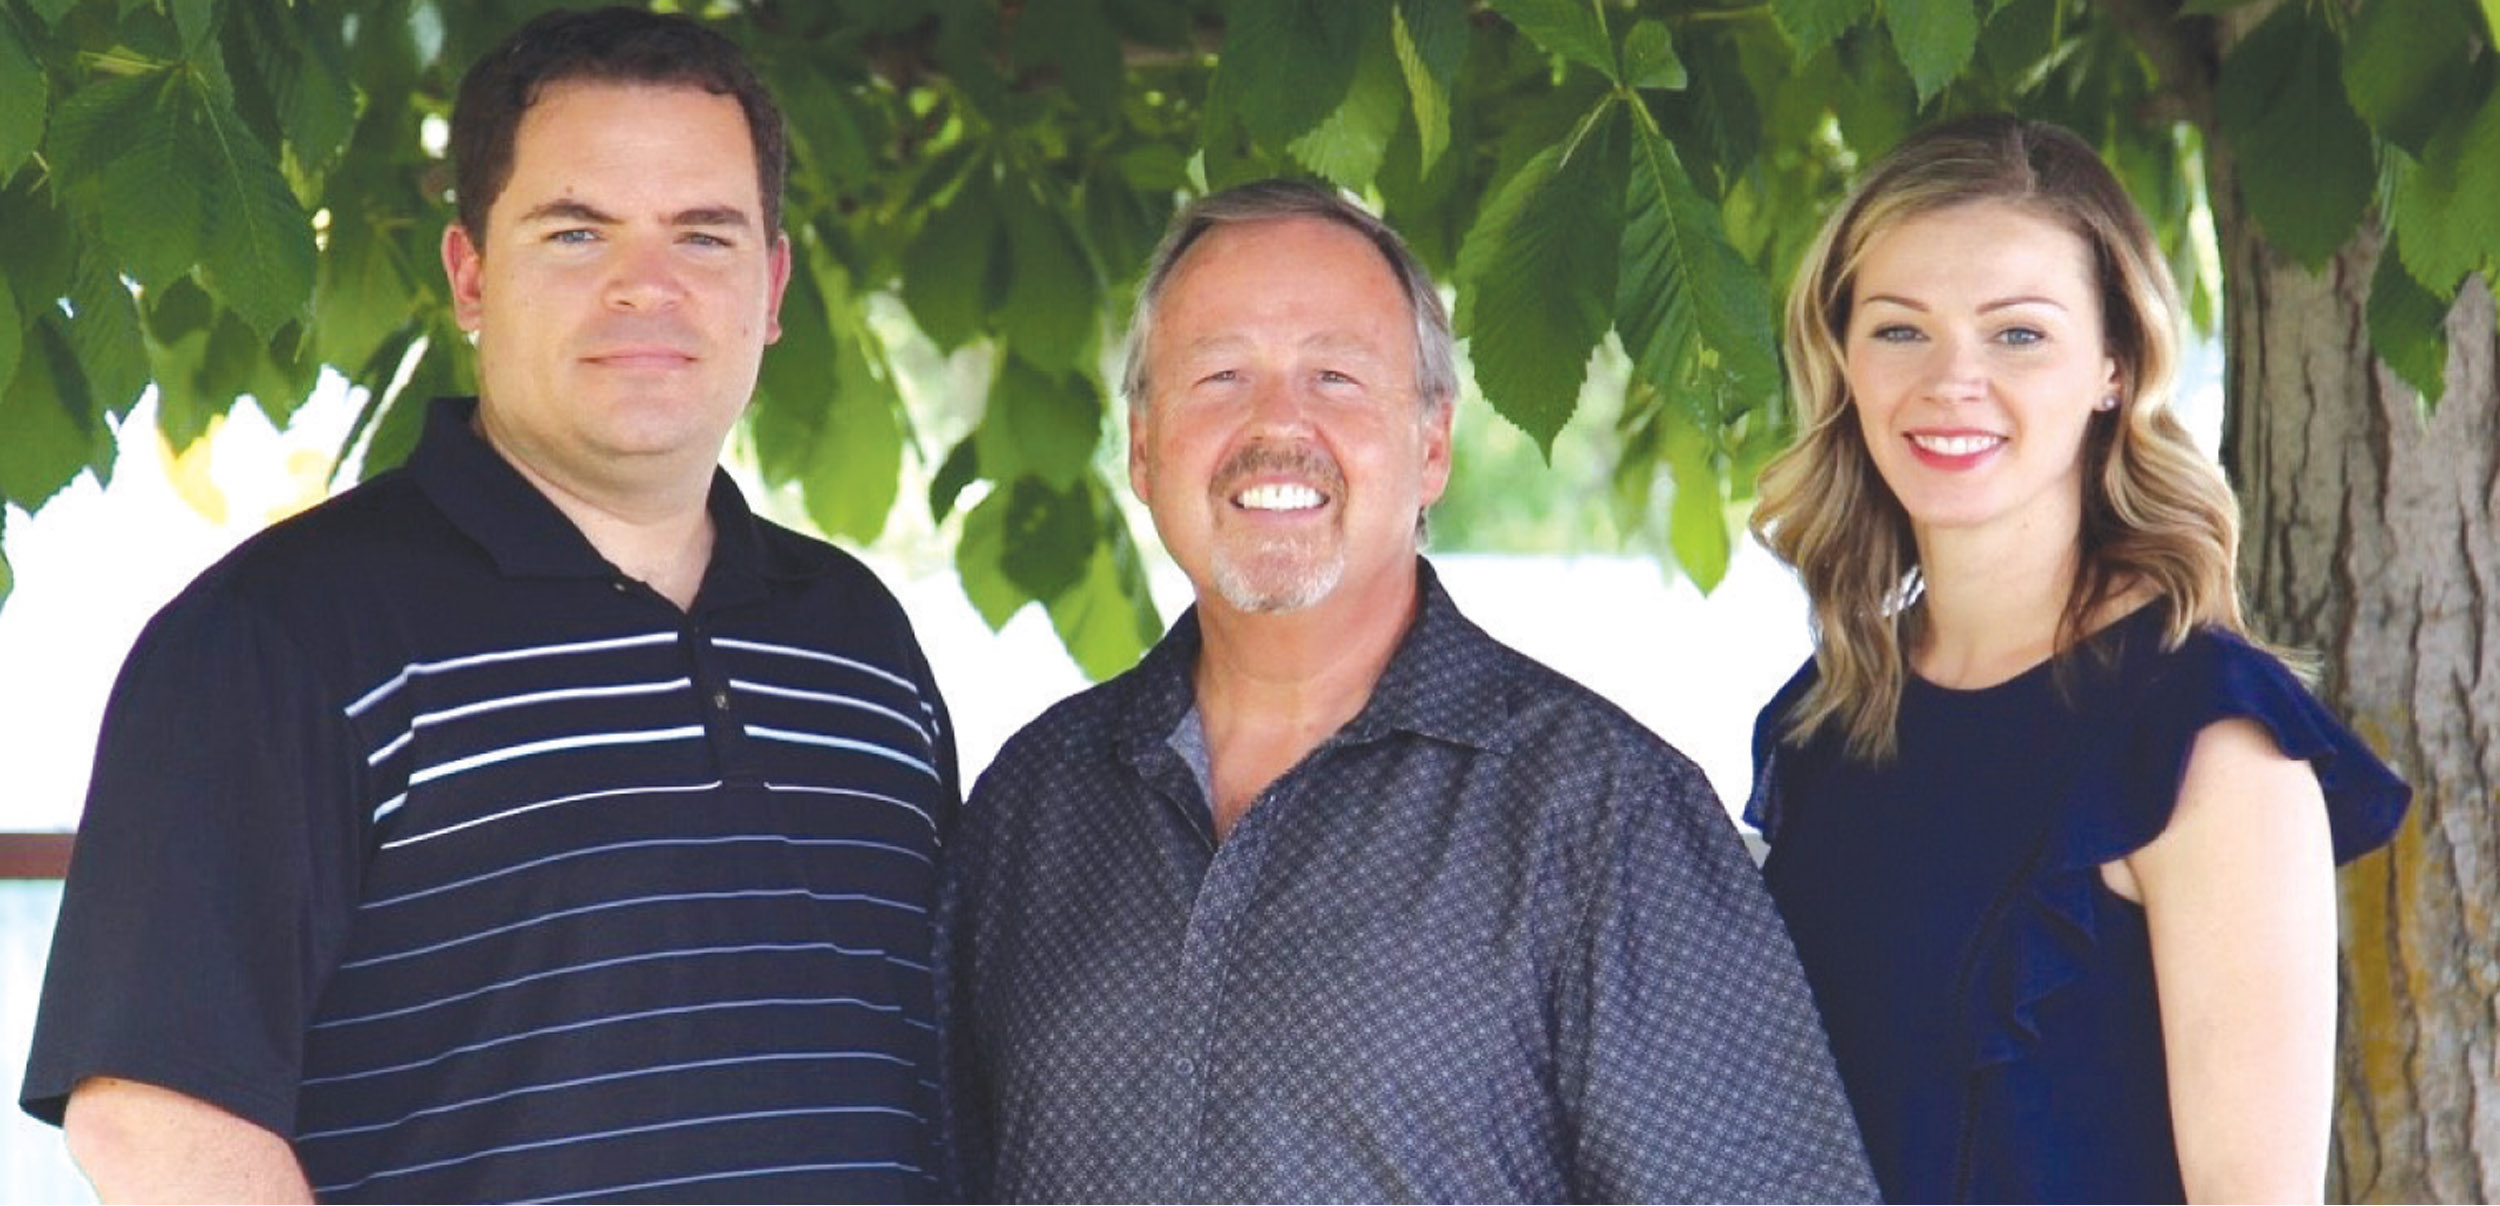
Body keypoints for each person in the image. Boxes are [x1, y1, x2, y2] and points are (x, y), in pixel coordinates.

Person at [21, 8, 957, 1202]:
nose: (646, 288)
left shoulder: (859, 642)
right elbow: (157, 1118)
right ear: (469, 274)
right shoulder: (279, 641)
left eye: (705, 236)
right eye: (576, 233)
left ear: (771, 287)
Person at [938, 178, 1876, 1203]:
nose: (1277, 424)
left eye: (1336, 376)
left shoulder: (1601, 813)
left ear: (1431, 446)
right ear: (1143, 445)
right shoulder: (1034, 805)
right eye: (1218, 376)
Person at [1746, 114, 2412, 1203]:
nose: (1950, 380)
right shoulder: (1825, 720)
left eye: (2017, 334)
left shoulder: (2208, 741)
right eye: (1899, 330)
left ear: (2113, 367)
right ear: (1842, 359)